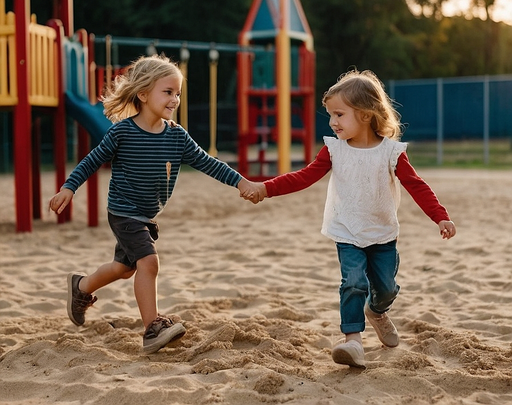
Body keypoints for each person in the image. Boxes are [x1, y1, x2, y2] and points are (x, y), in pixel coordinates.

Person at [49, 54, 258, 354]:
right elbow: (92, 159)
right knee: (149, 262)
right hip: (123, 212)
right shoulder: (122, 132)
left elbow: (209, 163)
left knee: (123, 268)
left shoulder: (177, 136)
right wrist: (70, 187)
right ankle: (152, 328)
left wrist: (241, 182)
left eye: (178, 93)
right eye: (168, 91)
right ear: (144, 93)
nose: (175, 99)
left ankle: (81, 287)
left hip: (145, 215)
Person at [247, 69, 456, 369]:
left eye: (339, 114)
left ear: (367, 114)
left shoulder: (391, 153)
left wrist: (440, 216)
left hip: (383, 233)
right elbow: (303, 177)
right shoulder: (334, 150)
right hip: (347, 231)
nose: (332, 122)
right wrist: (266, 188)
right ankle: (353, 341)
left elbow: (417, 186)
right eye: (330, 115)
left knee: (385, 288)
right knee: (353, 282)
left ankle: (377, 312)